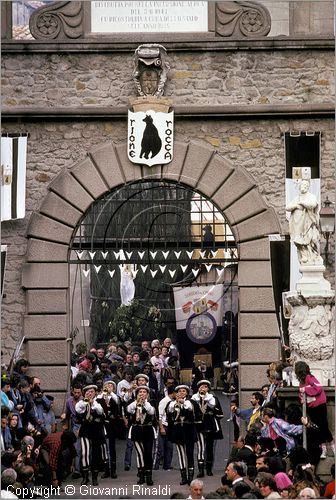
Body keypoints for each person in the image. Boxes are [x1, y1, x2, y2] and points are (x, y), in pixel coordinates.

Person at [294, 360, 334, 459]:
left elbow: (318, 388)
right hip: (311, 406)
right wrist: (302, 399)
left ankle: (332, 446)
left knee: (323, 426)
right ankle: (324, 448)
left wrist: (306, 390)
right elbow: (301, 395)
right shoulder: (301, 382)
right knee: (317, 427)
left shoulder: (309, 378)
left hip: (319, 405)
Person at [191, 379, 223, 477]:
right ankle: (201, 470)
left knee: (209, 447)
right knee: (200, 448)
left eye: (205, 386)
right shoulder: (194, 398)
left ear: (208, 388)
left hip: (210, 424)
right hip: (199, 425)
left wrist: (206, 399)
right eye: (201, 386)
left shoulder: (212, 398)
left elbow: (217, 411)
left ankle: (209, 469)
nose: (203, 388)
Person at [167, 384, 197, 486]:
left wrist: (182, 402)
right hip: (178, 431)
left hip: (188, 431)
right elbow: (169, 412)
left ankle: (190, 477)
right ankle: (183, 477)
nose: (181, 393)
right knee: (181, 454)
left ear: (187, 393)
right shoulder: (172, 403)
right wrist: (175, 403)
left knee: (190, 453)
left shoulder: (190, 402)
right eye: (179, 391)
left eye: (184, 391)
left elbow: (190, 409)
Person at [75, 384, 105, 486]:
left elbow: (100, 412)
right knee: (85, 453)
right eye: (87, 391)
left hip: (96, 431)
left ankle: (94, 478)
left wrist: (93, 403)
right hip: (85, 430)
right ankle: (85, 477)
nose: (90, 393)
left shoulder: (98, 403)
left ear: (95, 393)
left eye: (92, 391)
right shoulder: (81, 403)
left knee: (95, 454)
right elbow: (78, 409)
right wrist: (86, 402)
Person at [126, 385, 156, 486]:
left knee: (148, 453)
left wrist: (144, 403)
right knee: (140, 454)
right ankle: (141, 475)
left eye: (144, 392)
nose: (142, 394)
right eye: (140, 392)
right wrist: (137, 402)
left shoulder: (150, 403)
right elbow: (129, 410)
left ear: (147, 394)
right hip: (137, 430)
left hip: (147, 430)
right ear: (137, 394)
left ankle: (149, 476)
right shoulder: (133, 403)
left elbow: (151, 412)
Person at [286, 179, 320, 265]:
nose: (303, 187)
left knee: (311, 238)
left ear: (308, 187)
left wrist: (302, 203)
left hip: (307, 222)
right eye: (302, 185)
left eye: (305, 186)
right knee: (298, 240)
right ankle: (304, 255)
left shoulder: (311, 196)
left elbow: (313, 204)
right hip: (297, 223)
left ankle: (313, 255)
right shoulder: (296, 198)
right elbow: (288, 207)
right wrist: (296, 205)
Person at [96, 380, 120, 479]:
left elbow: (117, 402)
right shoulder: (100, 397)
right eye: (106, 385)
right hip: (103, 425)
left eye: (110, 386)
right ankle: (106, 470)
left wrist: (110, 393)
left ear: (113, 388)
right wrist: (103, 394)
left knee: (111, 448)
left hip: (111, 426)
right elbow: (96, 402)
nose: (108, 387)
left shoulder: (114, 397)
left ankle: (113, 470)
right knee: (104, 448)